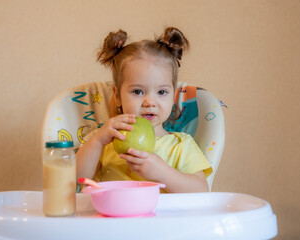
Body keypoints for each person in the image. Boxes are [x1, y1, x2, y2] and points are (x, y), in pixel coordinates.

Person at [76, 27, 212, 193]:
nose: (149, 102)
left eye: (162, 92)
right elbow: (77, 178)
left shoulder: (180, 145)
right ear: (117, 96)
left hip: (161, 219)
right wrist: (97, 141)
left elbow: (202, 191)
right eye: (138, 91)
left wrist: (164, 174)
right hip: (111, 217)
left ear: (173, 97)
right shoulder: (106, 139)